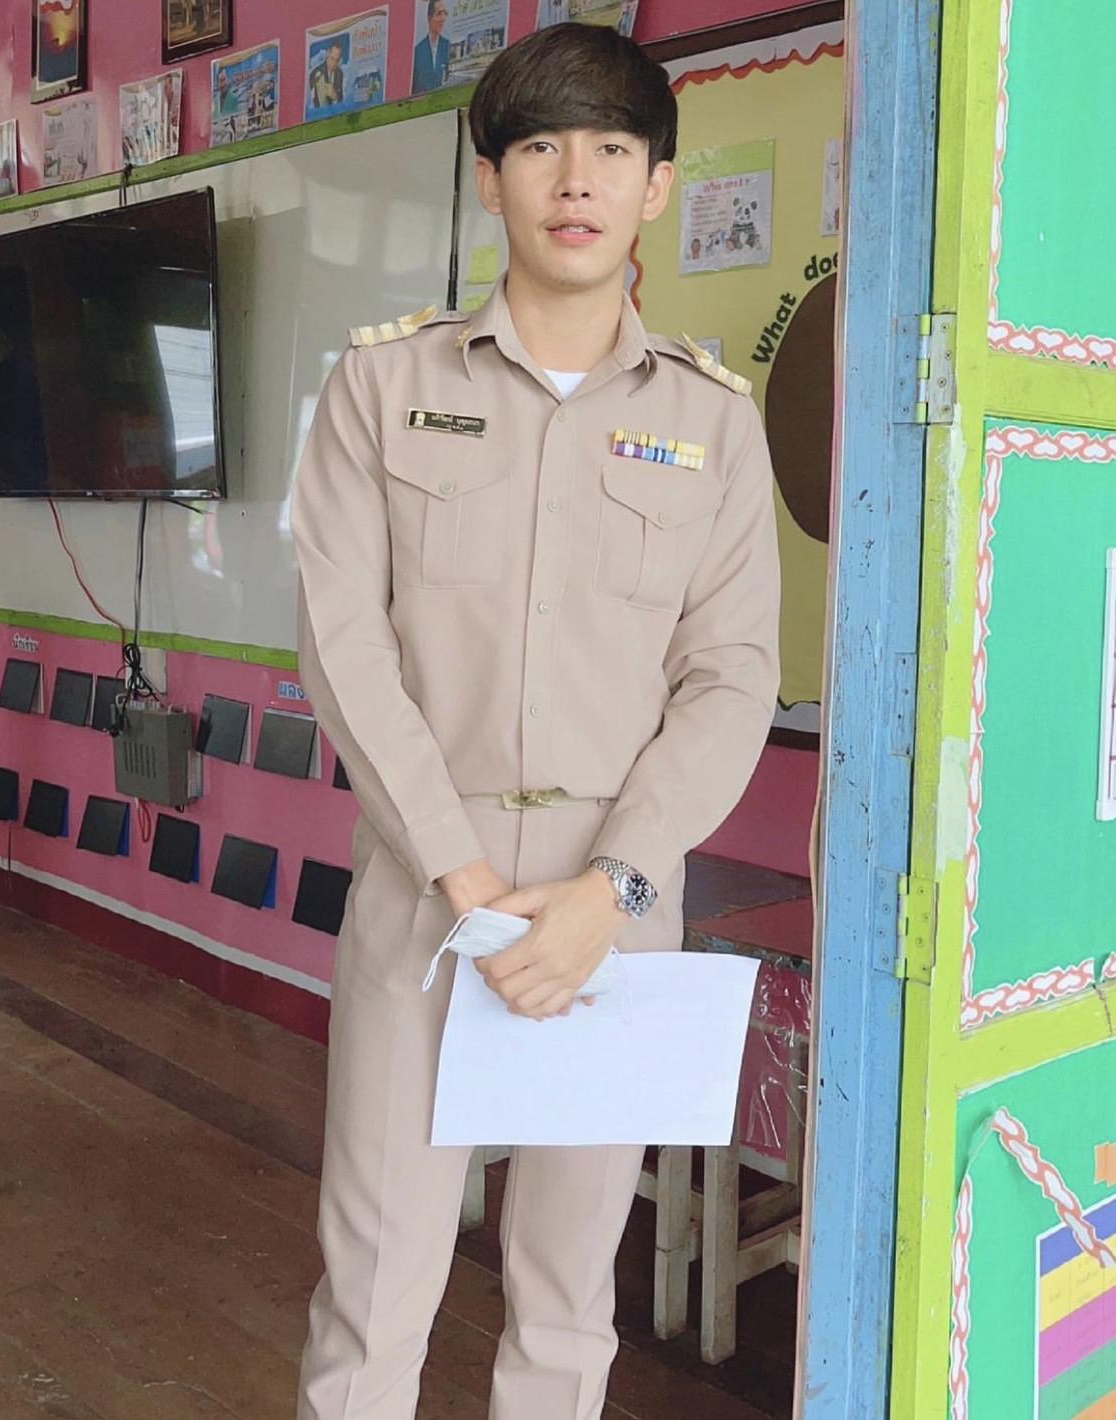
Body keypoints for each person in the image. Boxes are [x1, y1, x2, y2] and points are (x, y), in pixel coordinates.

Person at [291, 21, 781, 1420]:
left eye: (612, 149)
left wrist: (606, 889)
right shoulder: (384, 387)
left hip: (609, 918)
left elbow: (730, 674)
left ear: (656, 187)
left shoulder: (712, 421)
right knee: (373, 1290)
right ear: (490, 178)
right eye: (541, 147)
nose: (576, 179)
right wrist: (461, 878)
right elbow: (344, 644)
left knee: (569, 1302)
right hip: (422, 899)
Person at [411, 0, 450, 93]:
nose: (443, 18)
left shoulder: (447, 45)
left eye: (445, 13)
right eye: (439, 14)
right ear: (429, 18)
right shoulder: (418, 50)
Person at [309, 39, 346, 110]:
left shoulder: (340, 73)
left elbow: (340, 99)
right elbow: (312, 101)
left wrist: (335, 96)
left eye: (337, 60)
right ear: (328, 53)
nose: (333, 64)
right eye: (332, 58)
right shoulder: (315, 73)